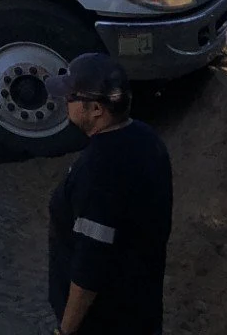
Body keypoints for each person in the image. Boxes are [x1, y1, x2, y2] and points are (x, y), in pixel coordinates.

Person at [44, 52, 173, 335]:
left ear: (97, 110)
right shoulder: (146, 139)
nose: (66, 101)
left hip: (106, 321)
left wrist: (65, 331)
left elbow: (90, 269)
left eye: (72, 97)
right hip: (142, 306)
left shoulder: (100, 171)